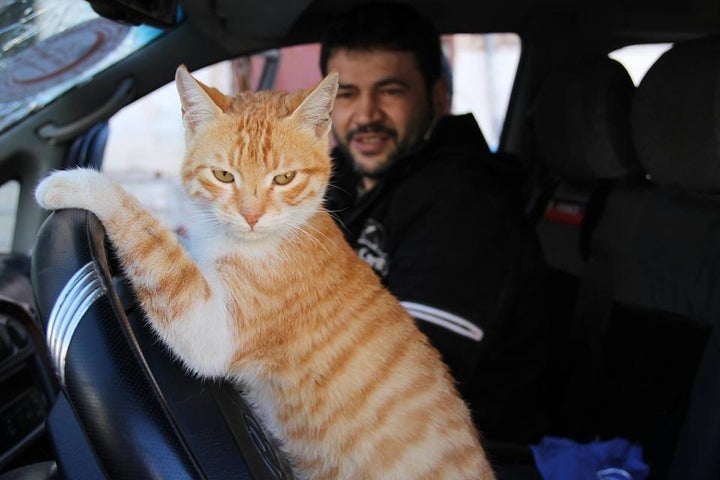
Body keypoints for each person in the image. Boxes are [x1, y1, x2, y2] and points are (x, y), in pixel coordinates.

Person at [321, 1, 550, 445]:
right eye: (346, 94)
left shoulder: (466, 202)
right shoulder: (344, 176)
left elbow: (402, 388)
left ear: (438, 97)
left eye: (390, 91)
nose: (365, 115)